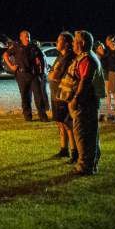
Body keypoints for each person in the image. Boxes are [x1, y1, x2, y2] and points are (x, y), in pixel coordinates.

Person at [68, 30, 103, 175]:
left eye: (74, 40)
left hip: (85, 102)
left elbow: (85, 81)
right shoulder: (84, 57)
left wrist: (76, 99)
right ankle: (90, 164)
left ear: (81, 43)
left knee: (83, 134)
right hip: (85, 101)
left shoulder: (87, 59)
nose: (72, 43)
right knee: (90, 134)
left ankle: (85, 166)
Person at [4, 30, 49, 121]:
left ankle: (43, 116)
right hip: (21, 75)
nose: (27, 38)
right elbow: (5, 55)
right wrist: (11, 66)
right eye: (25, 37)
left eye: (28, 36)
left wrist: (41, 71)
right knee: (25, 97)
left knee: (38, 96)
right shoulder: (16, 47)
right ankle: (28, 117)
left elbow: (42, 58)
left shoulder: (34, 47)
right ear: (21, 38)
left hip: (33, 75)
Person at [49, 31, 76, 160]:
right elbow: (51, 74)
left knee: (67, 123)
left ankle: (74, 151)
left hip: (63, 95)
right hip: (55, 94)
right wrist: (52, 73)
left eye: (59, 40)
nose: (56, 42)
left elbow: (54, 75)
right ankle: (63, 149)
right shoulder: (60, 56)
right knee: (59, 123)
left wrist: (53, 73)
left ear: (66, 44)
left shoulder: (68, 58)